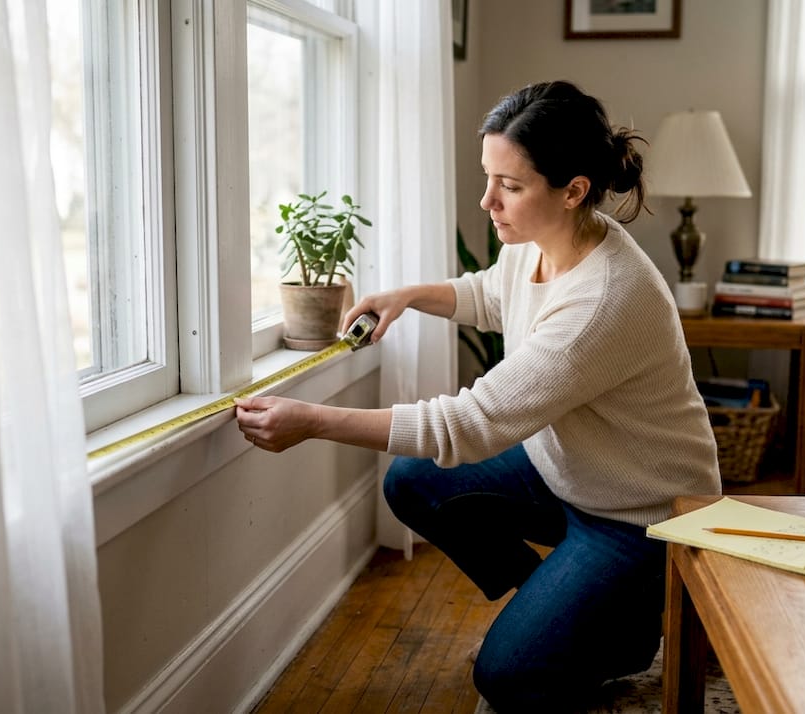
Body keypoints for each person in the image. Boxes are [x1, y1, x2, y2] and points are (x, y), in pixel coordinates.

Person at [235, 80, 720, 712]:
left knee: (509, 678)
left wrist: (314, 420)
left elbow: (467, 425)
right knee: (412, 482)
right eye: (489, 177)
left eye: (509, 186)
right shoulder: (543, 239)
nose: (488, 200)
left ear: (573, 190)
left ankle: (620, 634)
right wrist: (408, 295)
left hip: (643, 518)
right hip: (568, 476)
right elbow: (492, 294)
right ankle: (563, 610)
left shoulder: (604, 300)